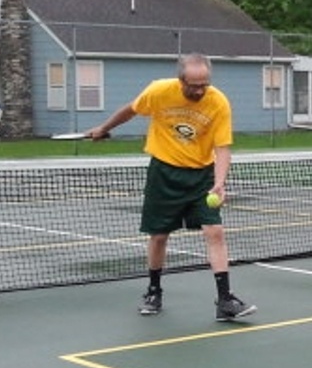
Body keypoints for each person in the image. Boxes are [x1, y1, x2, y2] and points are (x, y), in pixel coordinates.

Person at [87, 53, 256, 320]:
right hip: (164, 172)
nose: (200, 90)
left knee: (215, 232)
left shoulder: (218, 102)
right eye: (194, 85)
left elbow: (222, 148)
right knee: (159, 236)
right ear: (181, 80)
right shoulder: (159, 91)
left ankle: (225, 300)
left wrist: (220, 183)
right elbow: (131, 110)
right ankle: (153, 292)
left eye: (204, 84)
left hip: (201, 176)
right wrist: (104, 127)